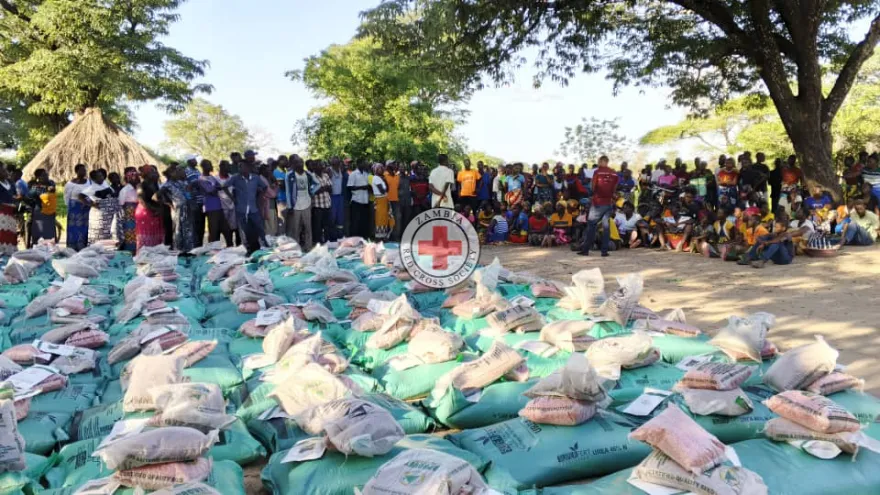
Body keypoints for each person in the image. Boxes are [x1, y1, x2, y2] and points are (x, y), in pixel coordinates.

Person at [579, 155, 619, 257]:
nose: (598, 163)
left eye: (599, 161)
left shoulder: (597, 172)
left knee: (591, 225)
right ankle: (604, 251)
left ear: (602, 161)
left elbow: (593, 187)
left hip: (598, 203)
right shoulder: (614, 173)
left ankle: (585, 250)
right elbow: (615, 188)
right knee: (606, 226)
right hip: (608, 202)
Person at [227, 160, 266, 254]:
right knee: (245, 231)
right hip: (241, 209)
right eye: (239, 167)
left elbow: (264, 187)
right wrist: (232, 198)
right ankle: (248, 250)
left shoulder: (255, 178)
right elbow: (224, 186)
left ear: (248, 168)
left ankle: (263, 247)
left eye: (242, 166)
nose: (240, 168)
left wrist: (260, 197)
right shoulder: (235, 178)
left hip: (253, 208)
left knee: (259, 228)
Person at [162, 166, 194, 253]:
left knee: (187, 231)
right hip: (177, 211)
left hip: (186, 209)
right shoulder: (166, 185)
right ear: (171, 174)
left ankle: (188, 251)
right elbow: (156, 197)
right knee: (178, 231)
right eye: (175, 172)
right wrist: (169, 204)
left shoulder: (179, 183)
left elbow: (187, 191)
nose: (177, 173)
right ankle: (179, 252)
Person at [198, 160, 231, 245]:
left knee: (226, 229)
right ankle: (213, 248)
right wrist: (215, 188)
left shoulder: (211, 177)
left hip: (219, 206)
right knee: (214, 230)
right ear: (203, 167)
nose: (211, 166)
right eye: (209, 165)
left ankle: (230, 247)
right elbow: (211, 191)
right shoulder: (201, 179)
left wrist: (214, 188)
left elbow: (219, 186)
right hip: (211, 207)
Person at [286, 155, 316, 249]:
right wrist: (290, 206)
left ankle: (308, 246)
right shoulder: (289, 175)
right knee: (296, 228)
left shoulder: (307, 174)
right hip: (295, 205)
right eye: (297, 163)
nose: (299, 164)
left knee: (308, 227)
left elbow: (317, 183)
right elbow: (288, 192)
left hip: (307, 203)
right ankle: (296, 247)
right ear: (293, 164)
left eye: (301, 162)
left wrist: (311, 191)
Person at [85, 169, 120, 245]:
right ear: (94, 179)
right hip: (99, 215)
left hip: (109, 215)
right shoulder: (92, 188)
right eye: (100, 176)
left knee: (109, 235)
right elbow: (82, 197)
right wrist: (93, 204)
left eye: (102, 176)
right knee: (99, 235)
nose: (102, 177)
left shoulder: (105, 185)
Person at [136, 165, 164, 252]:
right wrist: (155, 209)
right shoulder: (141, 185)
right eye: (152, 172)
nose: (155, 173)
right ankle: (144, 255)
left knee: (156, 235)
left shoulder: (155, 184)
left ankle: (155, 255)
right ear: (147, 174)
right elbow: (142, 200)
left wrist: (160, 208)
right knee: (147, 235)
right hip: (145, 212)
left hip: (156, 211)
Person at [64, 163, 91, 251]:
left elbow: (92, 194)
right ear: (76, 171)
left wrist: (88, 202)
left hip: (85, 209)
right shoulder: (70, 184)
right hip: (74, 209)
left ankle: (82, 246)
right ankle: (72, 247)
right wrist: (70, 207)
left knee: (84, 228)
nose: (84, 171)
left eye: (85, 170)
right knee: (73, 228)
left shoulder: (89, 182)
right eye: (82, 170)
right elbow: (66, 196)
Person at [27, 169, 57, 246]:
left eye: (46, 174)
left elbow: (52, 189)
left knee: (50, 237)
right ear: (38, 177)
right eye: (44, 175)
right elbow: (29, 197)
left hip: (50, 214)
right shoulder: (34, 188)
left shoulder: (51, 183)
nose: (47, 176)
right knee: (39, 237)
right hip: (39, 214)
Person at [183, 156, 205, 248]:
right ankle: (195, 246)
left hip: (201, 201)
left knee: (201, 225)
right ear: (189, 161)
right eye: (194, 159)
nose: (196, 161)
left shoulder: (197, 171)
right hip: (194, 202)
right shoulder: (187, 171)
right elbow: (191, 185)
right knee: (195, 225)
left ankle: (200, 245)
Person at [347, 160, 371, 239]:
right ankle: (354, 238)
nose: (364, 164)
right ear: (358, 164)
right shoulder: (353, 174)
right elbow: (349, 187)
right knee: (355, 221)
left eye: (364, 163)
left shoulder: (366, 174)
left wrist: (368, 187)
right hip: (356, 200)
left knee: (364, 221)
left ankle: (363, 238)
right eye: (363, 163)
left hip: (365, 200)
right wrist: (362, 187)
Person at [117, 167, 139, 252]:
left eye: (136, 176)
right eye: (133, 176)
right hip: (129, 215)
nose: (136, 178)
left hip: (138, 213)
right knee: (130, 233)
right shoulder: (124, 190)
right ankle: (130, 251)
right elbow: (121, 204)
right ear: (128, 178)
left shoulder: (139, 188)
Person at [371, 163, 394, 241]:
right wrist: (384, 181)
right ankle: (379, 237)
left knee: (385, 218)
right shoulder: (375, 178)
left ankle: (384, 236)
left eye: (381, 168)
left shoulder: (381, 178)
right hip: (380, 200)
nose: (381, 170)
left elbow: (387, 189)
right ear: (375, 170)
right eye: (379, 168)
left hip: (384, 200)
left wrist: (384, 179)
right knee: (380, 219)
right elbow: (382, 191)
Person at [311, 161, 333, 244]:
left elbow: (331, 189)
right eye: (319, 165)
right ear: (314, 167)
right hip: (317, 206)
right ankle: (318, 243)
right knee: (317, 226)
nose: (322, 167)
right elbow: (313, 192)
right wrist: (325, 187)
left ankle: (327, 241)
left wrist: (322, 188)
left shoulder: (326, 175)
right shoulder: (311, 177)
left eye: (322, 165)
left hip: (327, 204)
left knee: (327, 225)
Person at [259, 164, 279, 241]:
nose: (270, 172)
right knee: (270, 229)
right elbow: (273, 194)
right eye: (268, 171)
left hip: (272, 206)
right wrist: (276, 184)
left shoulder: (266, 179)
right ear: (263, 171)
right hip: (267, 206)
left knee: (273, 227)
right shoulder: (262, 180)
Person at [0, 165, 18, 254]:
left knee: (10, 237)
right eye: (3, 171)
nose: (6, 172)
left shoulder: (11, 183)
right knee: (2, 236)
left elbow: (15, 196)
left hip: (11, 215)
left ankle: (10, 255)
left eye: (5, 170)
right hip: (1, 215)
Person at [328, 157, 346, 240]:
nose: (337, 163)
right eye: (335, 162)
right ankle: (332, 236)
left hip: (340, 196)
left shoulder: (340, 170)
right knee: (332, 217)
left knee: (340, 217)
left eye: (338, 162)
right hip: (333, 196)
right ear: (332, 163)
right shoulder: (329, 170)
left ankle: (340, 235)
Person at [383, 161, 401, 240]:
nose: (394, 165)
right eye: (392, 164)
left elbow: (398, 188)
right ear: (387, 165)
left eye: (394, 164)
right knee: (387, 219)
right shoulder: (384, 175)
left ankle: (395, 236)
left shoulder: (397, 176)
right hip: (387, 200)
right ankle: (386, 236)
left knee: (397, 218)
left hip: (396, 200)